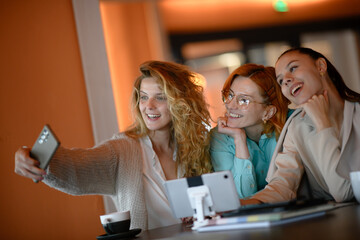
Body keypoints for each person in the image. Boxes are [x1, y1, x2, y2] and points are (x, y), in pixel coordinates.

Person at [14, 60, 213, 230]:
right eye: (143, 97)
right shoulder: (123, 150)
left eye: (160, 97)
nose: (148, 106)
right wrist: (33, 157)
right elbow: (76, 168)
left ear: (181, 103)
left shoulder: (195, 149)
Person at [243, 47, 360, 205]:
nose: (286, 80)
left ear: (320, 66)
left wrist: (323, 124)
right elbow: (284, 183)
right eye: (280, 80)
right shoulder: (297, 126)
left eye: (293, 68)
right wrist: (246, 204)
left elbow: (343, 192)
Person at [210, 63, 291, 198]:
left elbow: (292, 187)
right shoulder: (219, 137)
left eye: (244, 100)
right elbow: (240, 197)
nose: (230, 105)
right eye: (230, 95)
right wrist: (239, 139)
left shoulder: (292, 125)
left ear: (268, 111)